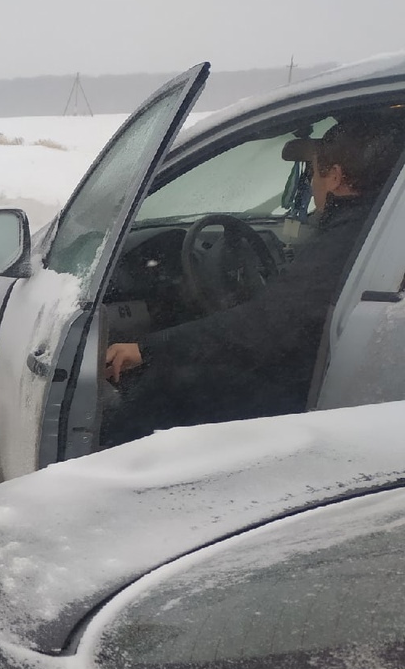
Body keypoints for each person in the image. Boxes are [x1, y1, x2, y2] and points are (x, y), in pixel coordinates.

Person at [102, 112, 405, 444]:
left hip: (305, 390)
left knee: (165, 384)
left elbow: (262, 326)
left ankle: (110, 463)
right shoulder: (374, 226)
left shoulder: (346, 240)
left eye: (313, 171)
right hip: (320, 366)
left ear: (334, 176)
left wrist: (149, 348)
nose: (312, 182)